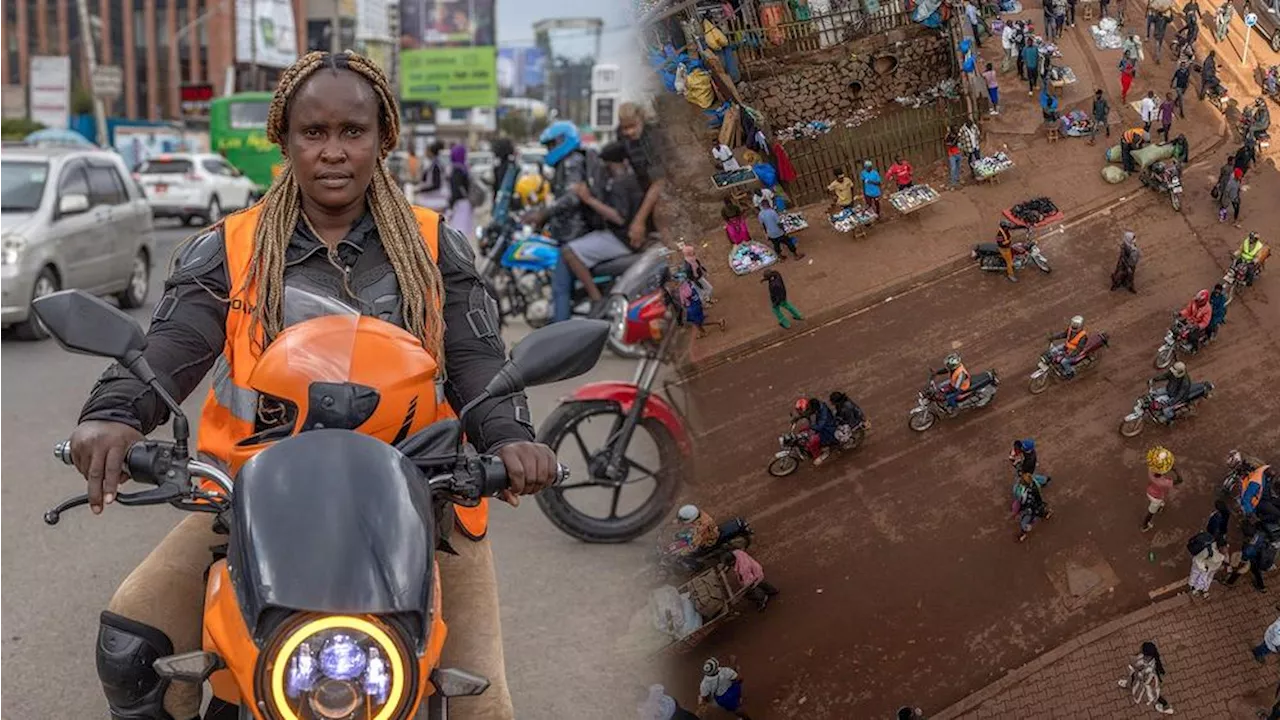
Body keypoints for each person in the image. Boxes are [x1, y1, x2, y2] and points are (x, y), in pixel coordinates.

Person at [68, 50, 556, 720]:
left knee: (484, 705)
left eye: (352, 132)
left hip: (423, 507)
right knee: (131, 641)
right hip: (255, 503)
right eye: (314, 133)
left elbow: (478, 361)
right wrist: (114, 414)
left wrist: (510, 439)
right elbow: (168, 348)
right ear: (286, 138)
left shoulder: (435, 247)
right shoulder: (231, 247)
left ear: (383, 138)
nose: (333, 152)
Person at [548, 141, 645, 323]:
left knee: (569, 251)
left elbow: (619, 218)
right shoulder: (629, 180)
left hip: (621, 238)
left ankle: (596, 298)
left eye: (607, 165)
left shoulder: (620, 183)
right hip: (618, 236)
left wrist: (588, 199)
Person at [617, 102, 667, 245]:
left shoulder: (652, 137)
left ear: (641, 120)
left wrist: (639, 220)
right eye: (625, 128)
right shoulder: (623, 137)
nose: (629, 132)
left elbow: (659, 181)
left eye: (633, 126)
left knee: (660, 212)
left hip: (664, 183)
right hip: (645, 182)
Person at [1118, 641, 1174, 714]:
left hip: (1147, 681)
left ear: (1149, 656)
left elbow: (1148, 680)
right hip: (1139, 675)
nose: (1142, 654)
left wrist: (1140, 675)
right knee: (1133, 676)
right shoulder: (1145, 658)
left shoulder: (1151, 669)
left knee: (1155, 696)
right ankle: (1129, 684)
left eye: (1144, 653)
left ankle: (1166, 707)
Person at [1142, 446, 1182, 531]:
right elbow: (1180, 480)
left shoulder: (1151, 470)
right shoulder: (1164, 483)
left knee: (1158, 504)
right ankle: (1144, 525)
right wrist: (1175, 470)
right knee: (1151, 512)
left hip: (1149, 492)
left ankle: (1160, 507)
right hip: (1156, 497)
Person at [1012, 468, 1053, 542]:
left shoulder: (1026, 493)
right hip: (1036, 505)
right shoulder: (1034, 484)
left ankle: (1023, 534)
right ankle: (1046, 513)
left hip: (1031, 509)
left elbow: (1025, 502)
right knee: (1040, 512)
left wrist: (1020, 509)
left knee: (1023, 522)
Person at [1151, 361, 1194, 426]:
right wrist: (1155, 379)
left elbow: (1180, 395)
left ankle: (1170, 419)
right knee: (1153, 393)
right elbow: (1165, 376)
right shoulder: (1173, 372)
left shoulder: (1185, 382)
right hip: (1169, 389)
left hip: (1176, 396)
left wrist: (1171, 402)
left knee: (1166, 411)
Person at [446, 144, 475, 238]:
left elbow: (455, 190)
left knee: (456, 234)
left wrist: (450, 206)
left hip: (459, 205)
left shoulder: (456, 171)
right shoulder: (464, 169)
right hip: (466, 203)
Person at [416, 140, 449, 211]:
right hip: (433, 200)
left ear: (431, 152)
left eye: (426, 150)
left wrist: (421, 190)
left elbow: (436, 184)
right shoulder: (434, 164)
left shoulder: (436, 166)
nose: (425, 152)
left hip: (435, 201)